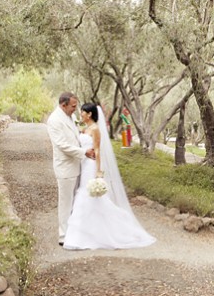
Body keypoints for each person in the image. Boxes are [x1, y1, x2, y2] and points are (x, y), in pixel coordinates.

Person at [63, 103, 156, 250]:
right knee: (87, 196)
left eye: (83, 112)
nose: (81, 114)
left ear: (90, 114)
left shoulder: (95, 129)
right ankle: (89, 232)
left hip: (91, 166)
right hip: (83, 164)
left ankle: (81, 237)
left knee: (87, 195)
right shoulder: (85, 129)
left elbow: (98, 151)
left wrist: (99, 173)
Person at [46, 92, 95, 247]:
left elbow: (75, 137)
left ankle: (73, 231)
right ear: (63, 104)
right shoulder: (54, 120)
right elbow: (62, 145)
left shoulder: (71, 117)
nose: (75, 109)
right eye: (73, 106)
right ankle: (63, 235)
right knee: (65, 202)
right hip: (65, 167)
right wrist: (83, 152)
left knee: (75, 201)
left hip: (77, 165)